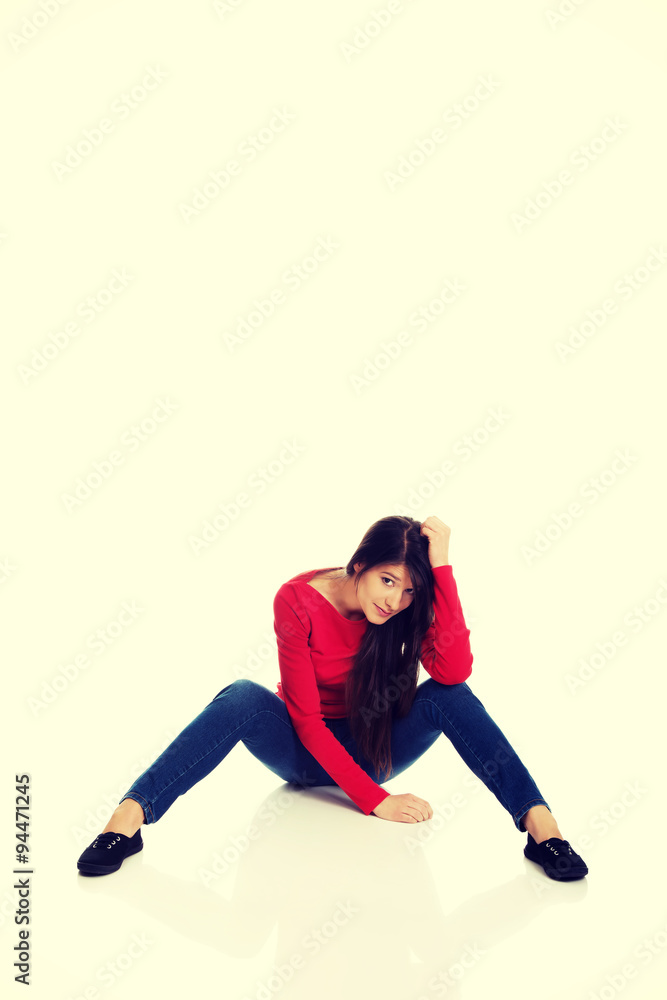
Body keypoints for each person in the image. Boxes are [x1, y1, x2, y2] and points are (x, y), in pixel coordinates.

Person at [76, 514, 588, 882]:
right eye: (387, 580)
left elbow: (454, 671)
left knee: (450, 695)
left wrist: (444, 570)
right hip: (303, 750)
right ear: (359, 563)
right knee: (240, 697)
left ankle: (540, 826)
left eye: (408, 590)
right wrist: (375, 800)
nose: (394, 599)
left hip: (376, 748)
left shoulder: (404, 609)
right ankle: (129, 818)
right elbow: (306, 720)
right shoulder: (296, 601)